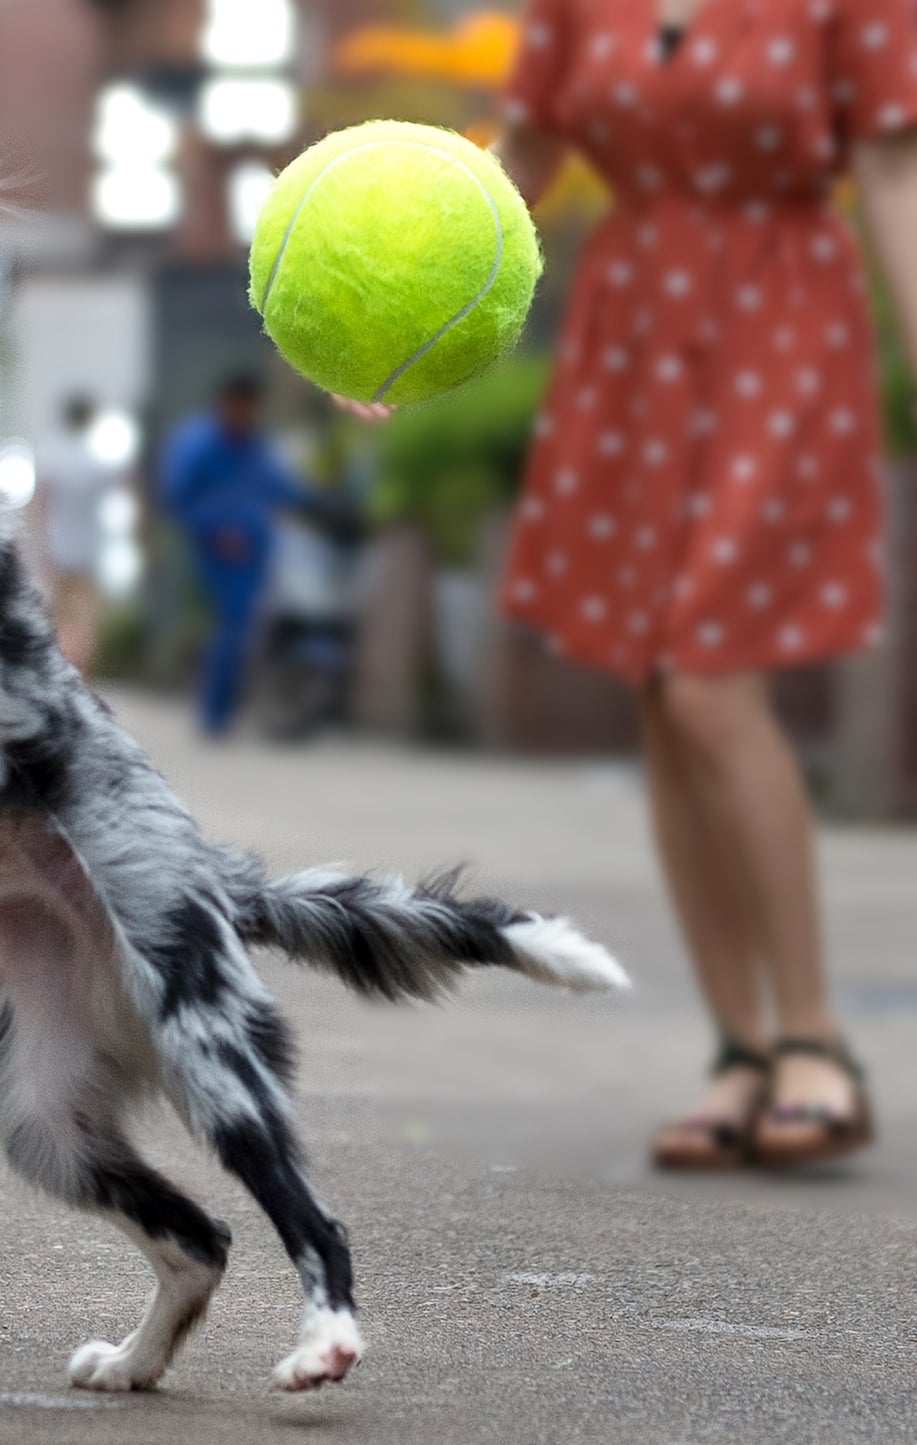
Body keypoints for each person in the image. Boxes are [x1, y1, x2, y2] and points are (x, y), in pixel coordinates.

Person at [346, 0, 917, 1168]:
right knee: (658, 687)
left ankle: (811, 1037)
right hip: (630, 333)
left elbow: (893, 173)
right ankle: (743, 1049)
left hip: (784, 321)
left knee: (707, 679)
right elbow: (527, 163)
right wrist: (401, 318)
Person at [161, 375, 315, 736]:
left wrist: (320, 504)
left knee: (244, 630)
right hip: (219, 552)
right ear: (225, 404)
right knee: (232, 629)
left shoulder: (253, 445)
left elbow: (278, 486)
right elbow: (177, 497)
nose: (246, 415)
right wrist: (216, 529)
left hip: (254, 551)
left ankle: (226, 709)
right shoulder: (197, 445)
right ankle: (216, 715)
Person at [36, 396, 119, 676]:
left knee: (59, 617)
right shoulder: (97, 461)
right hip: (89, 551)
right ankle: (81, 672)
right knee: (85, 620)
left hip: (59, 548)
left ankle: (62, 671)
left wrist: (40, 545)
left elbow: (42, 506)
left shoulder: (52, 457)